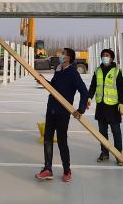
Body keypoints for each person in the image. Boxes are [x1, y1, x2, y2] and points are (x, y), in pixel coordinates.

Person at [36, 48, 88, 183]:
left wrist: (81, 109)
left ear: (69, 57)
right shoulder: (58, 70)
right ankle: (47, 169)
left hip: (63, 112)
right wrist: (43, 82)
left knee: (62, 140)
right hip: (51, 109)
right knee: (47, 138)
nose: (60, 55)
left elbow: (84, 92)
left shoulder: (73, 73)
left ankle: (67, 170)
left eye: (63, 54)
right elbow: (52, 87)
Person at [87, 48, 123, 165]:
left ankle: (118, 154)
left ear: (111, 58)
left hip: (113, 107)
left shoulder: (116, 70)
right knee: (102, 132)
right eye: (103, 55)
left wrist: (121, 103)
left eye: (107, 55)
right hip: (101, 106)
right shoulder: (97, 70)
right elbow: (93, 85)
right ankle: (104, 153)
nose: (104, 57)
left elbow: (121, 88)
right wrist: (89, 97)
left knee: (116, 132)